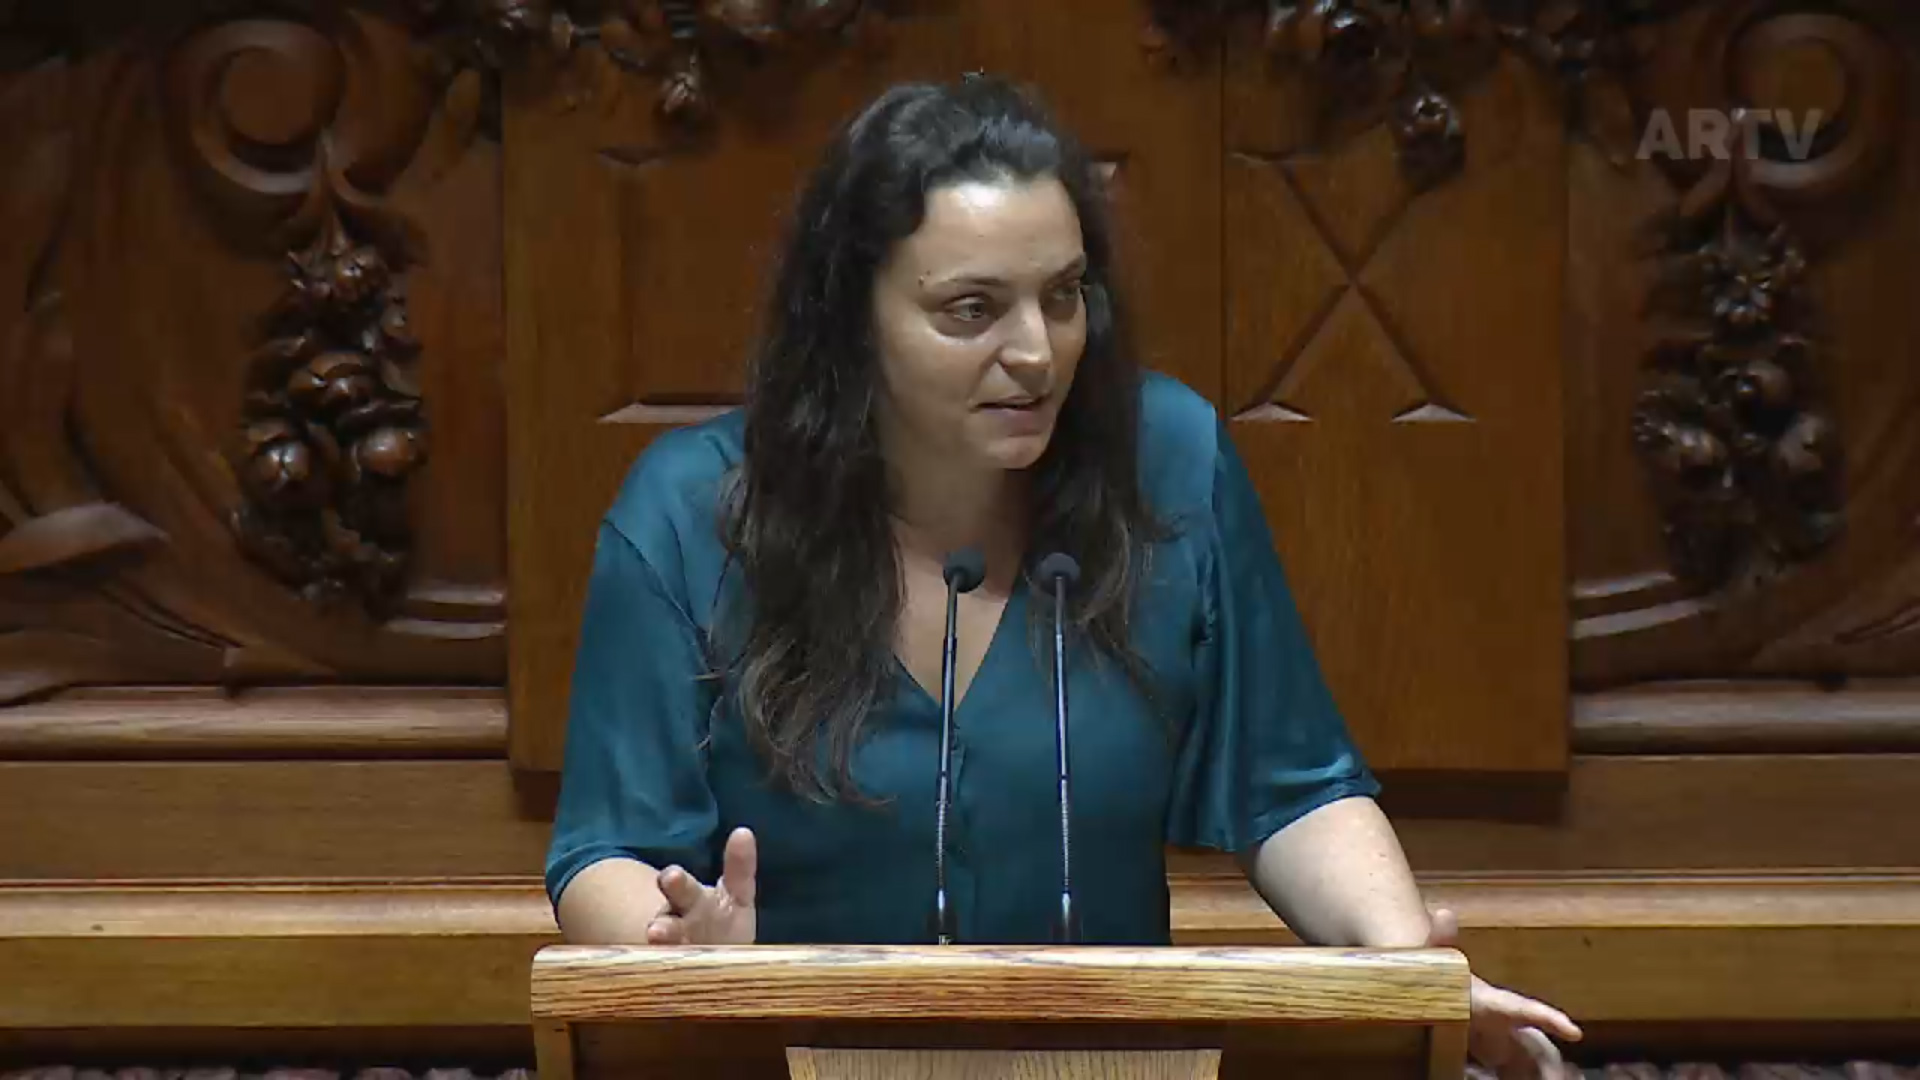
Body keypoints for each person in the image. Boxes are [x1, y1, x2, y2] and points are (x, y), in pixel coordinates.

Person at [545, 74, 1582, 1077]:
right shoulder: (692, 512)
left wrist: (1411, 974)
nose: (1037, 352)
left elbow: (1293, 790)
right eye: (972, 309)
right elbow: (605, 850)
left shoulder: (1168, 463)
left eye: (1063, 296)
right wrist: (682, 962)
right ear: (851, 320)